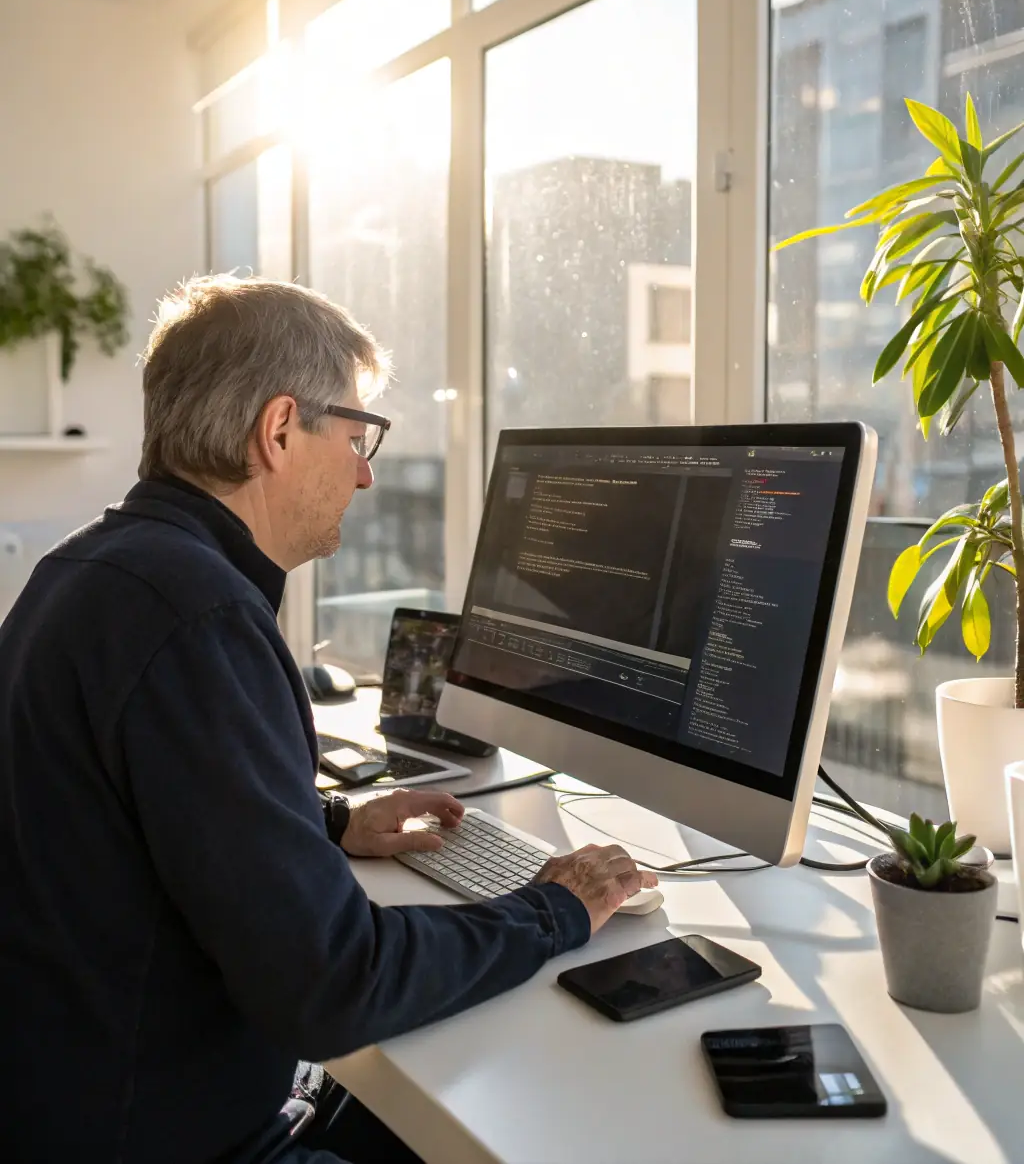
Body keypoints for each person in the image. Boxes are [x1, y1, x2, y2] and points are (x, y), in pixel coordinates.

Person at [0, 275, 657, 1164]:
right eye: (355, 433)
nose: (366, 469)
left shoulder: (88, 570)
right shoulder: (198, 618)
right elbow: (333, 986)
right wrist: (555, 910)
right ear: (278, 431)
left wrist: (326, 823)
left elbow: (113, 823)